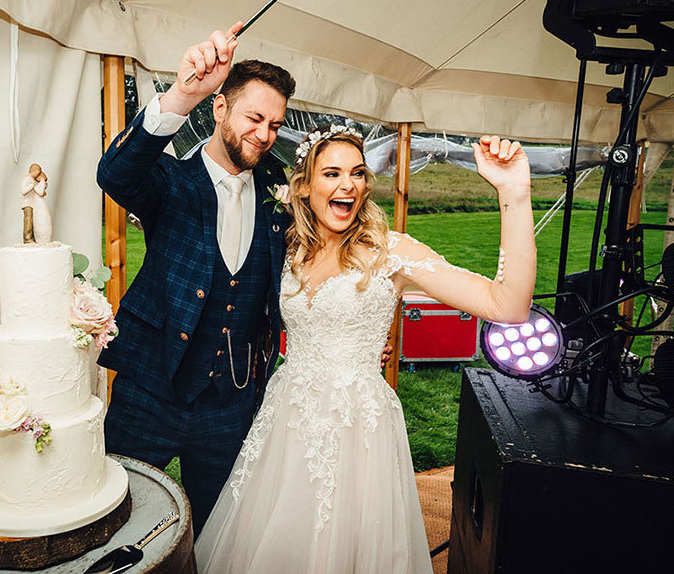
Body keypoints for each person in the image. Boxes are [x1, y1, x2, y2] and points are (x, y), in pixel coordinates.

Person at [194, 128, 535, 572]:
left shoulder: (391, 252)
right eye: (332, 173)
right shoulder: (287, 247)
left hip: (357, 425)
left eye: (357, 173)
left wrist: (514, 193)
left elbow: (507, 305)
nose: (348, 185)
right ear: (304, 185)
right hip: (286, 417)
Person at [97, 25, 393, 535]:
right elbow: (115, 175)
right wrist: (183, 92)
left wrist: (351, 333)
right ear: (219, 109)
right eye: (254, 118)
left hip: (233, 403)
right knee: (115, 515)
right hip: (150, 391)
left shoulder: (283, 196)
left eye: (276, 124)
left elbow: (322, 258)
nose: (264, 133)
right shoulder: (170, 182)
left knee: (219, 533)